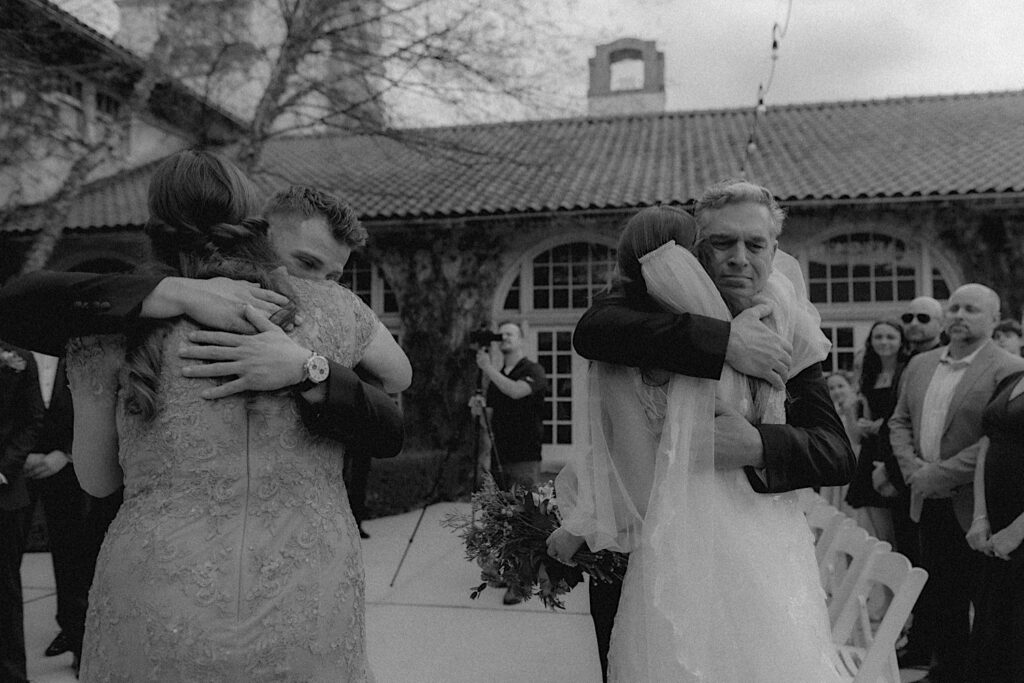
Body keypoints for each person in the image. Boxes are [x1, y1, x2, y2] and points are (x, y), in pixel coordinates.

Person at [66, 149, 412, 680]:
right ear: (256, 221)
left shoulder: (108, 324)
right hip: (306, 583)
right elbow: (399, 376)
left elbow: (96, 479)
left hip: (160, 590)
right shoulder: (331, 308)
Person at [553, 184, 854, 681]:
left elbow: (836, 452)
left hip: (757, 553)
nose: (739, 258)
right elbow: (594, 330)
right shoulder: (650, 305)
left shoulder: (789, 325)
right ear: (694, 248)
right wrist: (725, 343)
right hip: (654, 561)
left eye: (755, 245)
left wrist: (758, 445)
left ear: (775, 250)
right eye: (721, 242)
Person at [0, 186, 405, 462]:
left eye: (333, 277)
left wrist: (310, 367)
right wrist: (175, 292)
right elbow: (20, 300)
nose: (317, 287)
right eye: (306, 263)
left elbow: (396, 389)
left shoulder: (333, 314)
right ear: (260, 236)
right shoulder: (164, 293)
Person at [889, 283, 1024, 683]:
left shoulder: (1008, 368)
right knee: (939, 593)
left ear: (995, 319)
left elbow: (996, 440)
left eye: (973, 310)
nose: (960, 315)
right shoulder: (920, 364)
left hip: (978, 503)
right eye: (955, 307)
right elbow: (898, 421)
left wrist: (937, 475)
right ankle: (945, 670)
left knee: (984, 600)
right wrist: (913, 470)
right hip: (925, 497)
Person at [20, 353, 92, 671]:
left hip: (66, 465)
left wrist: (64, 454)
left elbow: (94, 407)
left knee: (72, 554)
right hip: (16, 465)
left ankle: (76, 635)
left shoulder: (75, 350)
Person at [965, 370, 1024, 681]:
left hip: (1018, 528)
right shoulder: (1011, 379)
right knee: (991, 630)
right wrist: (979, 515)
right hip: (994, 524)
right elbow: (986, 444)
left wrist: (1017, 531)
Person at [0, 343, 44, 683]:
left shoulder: (18, 357)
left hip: (4, 490)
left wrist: (4, 470)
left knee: (6, 593)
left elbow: (31, 420)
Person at [844, 319, 910, 542]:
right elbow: (857, 430)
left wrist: (880, 425)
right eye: (878, 337)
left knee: (900, 528)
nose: (884, 342)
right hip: (871, 450)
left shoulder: (908, 371)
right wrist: (856, 418)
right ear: (870, 341)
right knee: (878, 532)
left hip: (894, 450)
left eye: (890, 337)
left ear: (901, 341)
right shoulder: (868, 374)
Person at [821, 370, 864, 511]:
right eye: (831, 388)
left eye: (840, 386)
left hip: (854, 460)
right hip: (834, 463)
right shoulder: (827, 412)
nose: (836, 391)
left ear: (850, 387)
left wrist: (849, 412)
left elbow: (856, 439)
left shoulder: (859, 407)